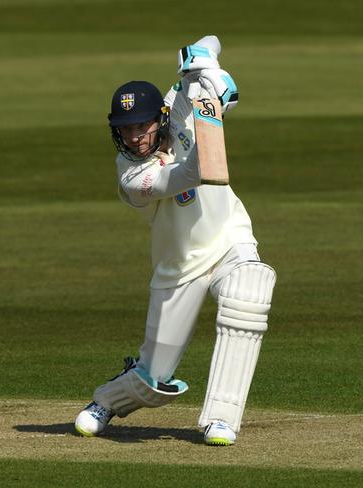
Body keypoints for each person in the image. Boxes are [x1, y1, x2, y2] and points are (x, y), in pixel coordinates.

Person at [74, 36, 276, 446]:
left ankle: (221, 418)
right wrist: (211, 115)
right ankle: (108, 399)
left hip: (228, 240)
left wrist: (203, 68)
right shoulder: (133, 177)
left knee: (249, 291)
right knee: (154, 382)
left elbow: (210, 51)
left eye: (142, 125)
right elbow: (187, 175)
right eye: (125, 128)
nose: (134, 136)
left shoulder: (177, 108)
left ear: (160, 118)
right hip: (178, 267)